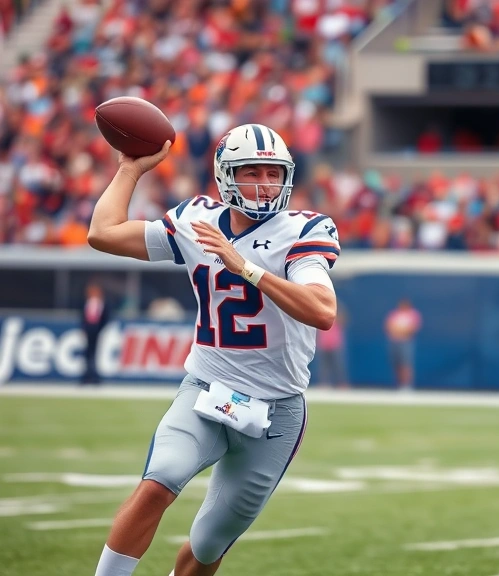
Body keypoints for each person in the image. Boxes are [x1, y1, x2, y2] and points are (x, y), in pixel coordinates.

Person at [87, 123, 340, 576]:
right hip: (206, 390)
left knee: (207, 545)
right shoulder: (196, 219)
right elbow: (103, 233)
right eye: (252, 172)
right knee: (158, 482)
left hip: (275, 413)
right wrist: (129, 170)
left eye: (274, 173)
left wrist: (245, 267)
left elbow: (322, 310)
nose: (265, 184)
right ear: (226, 175)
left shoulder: (303, 229)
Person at [81, 280, 111, 385]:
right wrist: (84, 329)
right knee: (87, 354)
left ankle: (94, 377)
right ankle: (87, 377)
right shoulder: (87, 303)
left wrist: (100, 329)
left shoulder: (102, 304)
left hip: (97, 332)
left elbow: (105, 318)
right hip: (88, 331)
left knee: (95, 354)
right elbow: (83, 318)